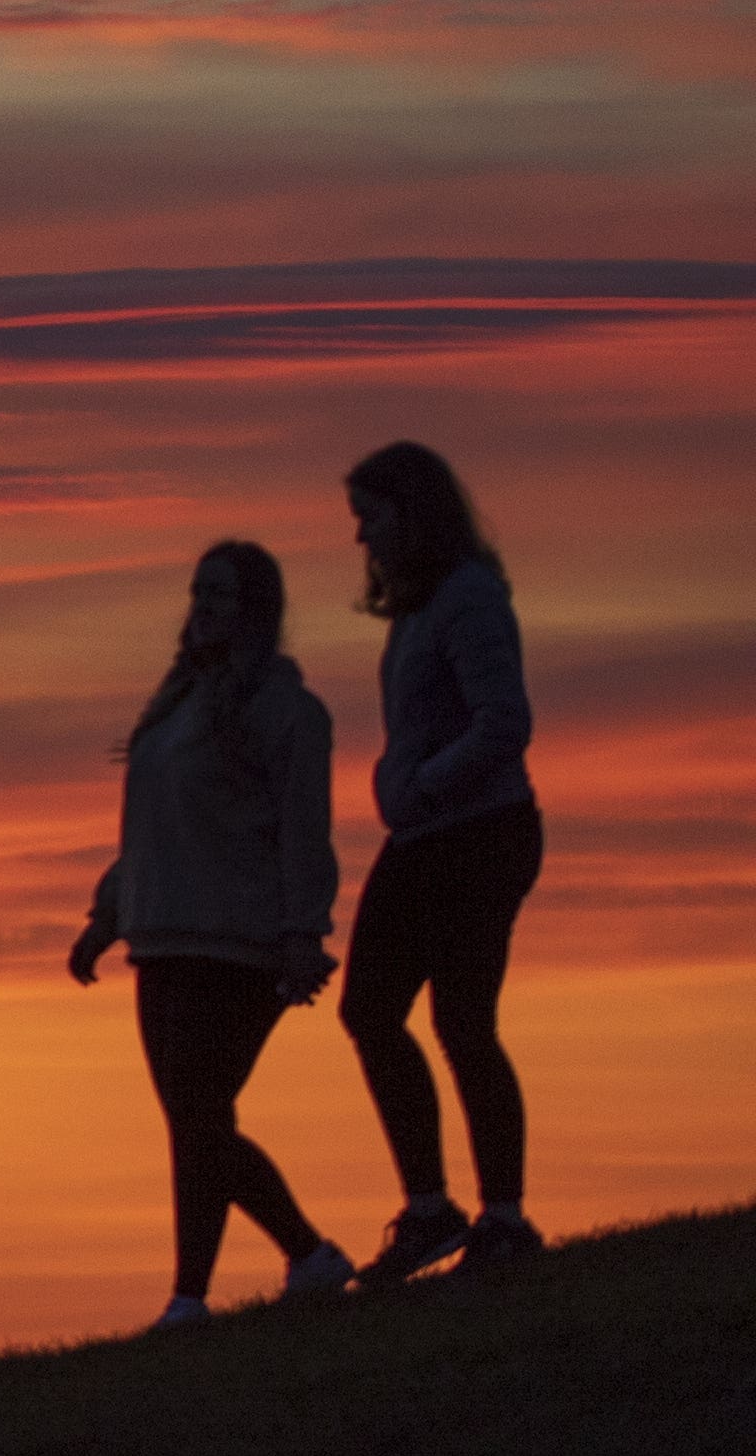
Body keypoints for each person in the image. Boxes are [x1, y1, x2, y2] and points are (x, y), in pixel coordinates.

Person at [68, 537, 352, 1326]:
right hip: (161, 933)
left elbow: (304, 828)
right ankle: (303, 1257)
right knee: (196, 1121)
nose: (203, 611)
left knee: (199, 1119)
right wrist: (108, 915)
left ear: (256, 610)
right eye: (198, 594)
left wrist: (304, 934)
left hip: (237, 939)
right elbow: (148, 830)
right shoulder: (174, 707)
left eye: (221, 596)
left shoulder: (288, 712)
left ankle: (197, 1294)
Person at [335, 438, 545, 1284]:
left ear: (412, 514)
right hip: (424, 837)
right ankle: (430, 1209)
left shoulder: (468, 599)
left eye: (371, 517)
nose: (361, 538)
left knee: (462, 1021)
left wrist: (425, 782)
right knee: (370, 1010)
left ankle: (502, 1218)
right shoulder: (419, 608)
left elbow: (505, 723)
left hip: (481, 834)